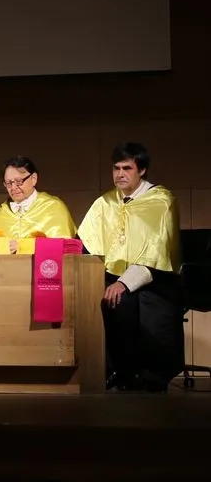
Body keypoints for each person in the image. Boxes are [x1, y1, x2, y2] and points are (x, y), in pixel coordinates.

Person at [77, 142, 182, 392]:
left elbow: (156, 253)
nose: (119, 174)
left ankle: (146, 375)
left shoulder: (160, 200)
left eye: (127, 168)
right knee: (88, 297)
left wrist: (123, 283)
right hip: (113, 274)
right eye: (116, 168)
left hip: (153, 278)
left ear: (142, 170)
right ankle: (107, 370)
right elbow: (86, 243)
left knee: (125, 301)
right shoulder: (105, 202)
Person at [0, 156, 77, 253]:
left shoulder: (54, 207)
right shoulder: (0, 213)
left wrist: (24, 246)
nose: (13, 187)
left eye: (18, 181)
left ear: (33, 179)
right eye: (8, 183)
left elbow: (66, 247)